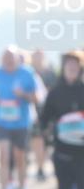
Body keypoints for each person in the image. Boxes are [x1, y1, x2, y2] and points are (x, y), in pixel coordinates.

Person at [39, 50, 84, 189]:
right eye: (69, 65)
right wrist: (48, 133)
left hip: (82, 154)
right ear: (63, 68)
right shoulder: (55, 92)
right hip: (62, 154)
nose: (72, 69)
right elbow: (44, 120)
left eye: (75, 66)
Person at [0, 46, 38, 189]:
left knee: (20, 158)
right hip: (2, 122)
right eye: (5, 59)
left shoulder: (27, 73)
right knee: (3, 157)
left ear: (18, 59)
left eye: (11, 58)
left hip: (21, 123)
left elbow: (35, 99)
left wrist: (22, 94)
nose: (8, 62)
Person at [30, 49, 56, 182]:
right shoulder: (29, 72)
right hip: (35, 110)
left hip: (49, 111)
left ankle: (47, 163)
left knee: (48, 141)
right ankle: (40, 167)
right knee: (37, 140)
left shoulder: (50, 73)